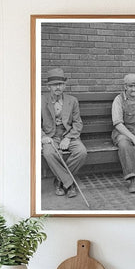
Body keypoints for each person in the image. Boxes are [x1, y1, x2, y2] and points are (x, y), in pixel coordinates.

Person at [41, 68, 87, 198]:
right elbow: (34, 123)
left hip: (69, 134)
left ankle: (59, 181)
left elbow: (78, 123)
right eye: (55, 84)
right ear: (48, 86)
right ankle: (70, 184)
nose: (58, 87)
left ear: (65, 85)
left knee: (81, 152)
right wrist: (42, 137)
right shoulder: (40, 100)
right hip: (50, 136)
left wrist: (68, 138)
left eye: (60, 84)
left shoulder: (72, 101)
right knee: (49, 153)